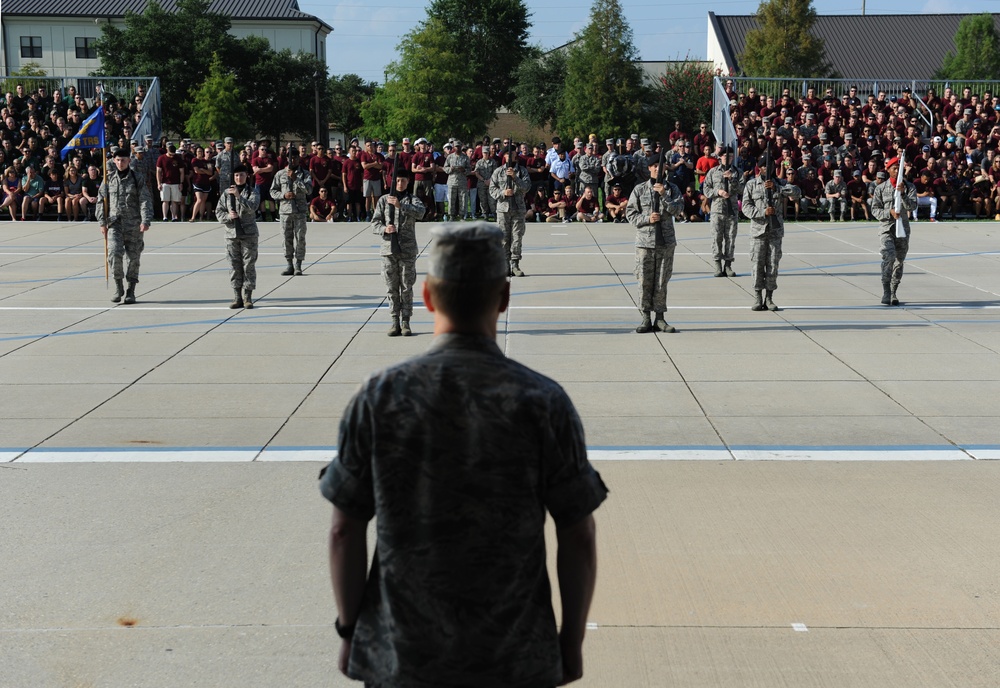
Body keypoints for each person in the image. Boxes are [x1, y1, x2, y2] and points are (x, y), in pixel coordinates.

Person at [321, 223, 606, 688]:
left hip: (402, 655)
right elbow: (578, 533)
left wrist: (351, 630)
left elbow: (343, 528)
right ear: (504, 298)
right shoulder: (541, 400)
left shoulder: (379, 396)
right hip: (514, 656)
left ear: (428, 297)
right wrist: (570, 642)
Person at [626, 154, 683, 333]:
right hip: (645, 242)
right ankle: (645, 317)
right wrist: (647, 219)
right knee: (644, 280)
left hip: (665, 242)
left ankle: (660, 318)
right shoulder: (640, 189)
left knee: (661, 281)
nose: (658, 169)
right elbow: (630, 214)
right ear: (649, 168)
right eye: (654, 166)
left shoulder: (672, 189)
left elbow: (678, 210)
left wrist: (664, 195)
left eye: (661, 166)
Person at [742, 154, 801, 312]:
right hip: (758, 232)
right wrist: (763, 212)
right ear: (759, 168)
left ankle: (769, 297)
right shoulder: (752, 185)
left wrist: (777, 188)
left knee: (773, 265)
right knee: (757, 265)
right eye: (764, 166)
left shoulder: (779, 183)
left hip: (775, 232)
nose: (767, 169)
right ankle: (757, 297)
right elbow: (745, 207)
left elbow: (797, 192)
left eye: (770, 166)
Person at [371, 171, 425, 336]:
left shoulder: (412, 199)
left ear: (408, 182)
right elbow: (374, 223)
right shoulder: (383, 200)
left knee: (406, 287)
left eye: (403, 180)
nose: (400, 183)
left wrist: (401, 206)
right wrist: (385, 229)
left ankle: (406, 321)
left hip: (407, 250)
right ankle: (394, 321)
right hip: (388, 250)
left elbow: (421, 213)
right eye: (397, 180)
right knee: (391, 287)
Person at [98, 148, 154, 304]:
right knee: (114, 253)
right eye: (117, 160)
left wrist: (145, 220)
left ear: (129, 161)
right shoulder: (108, 180)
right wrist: (102, 222)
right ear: (114, 161)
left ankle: (131, 290)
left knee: (133, 258)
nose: (120, 163)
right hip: (114, 223)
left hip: (134, 224)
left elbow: (145, 200)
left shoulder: (137, 178)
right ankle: (118, 286)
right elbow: (101, 201)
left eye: (123, 160)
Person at [870, 156, 917, 306]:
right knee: (888, 257)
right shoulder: (881, 188)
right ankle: (886, 291)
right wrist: (888, 212)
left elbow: (912, 206)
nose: (897, 171)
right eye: (894, 168)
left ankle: (894, 291)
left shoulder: (909, 187)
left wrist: (902, 194)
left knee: (899, 261)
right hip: (886, 228)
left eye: (899, 168)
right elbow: (874, 210)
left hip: (902, 229)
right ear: (888, 169)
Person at [215, 164, 260, 309]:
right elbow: (218, 212)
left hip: (248, 234)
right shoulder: (226, 194)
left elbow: (253, 207)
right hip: (231, 234)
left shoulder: (253, 192)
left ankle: (248, 297)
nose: (238, 178)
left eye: (241, 175)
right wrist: (228, 216)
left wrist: (238, 197)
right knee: (234, 266)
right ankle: (237, 297)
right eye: (236, 175)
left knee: (248, 265)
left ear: (246, 176)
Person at [489, 147, 532, 276]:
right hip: (503, 210)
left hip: (518, 209)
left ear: (515, 156)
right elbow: (492, 190)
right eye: (507, 154)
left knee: (517, 238)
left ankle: (515, 264)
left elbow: (527, 187)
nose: (509, 157)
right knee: (503, 239)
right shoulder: (498, 172)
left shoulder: (522, 171)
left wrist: (515, 178)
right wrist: (503, 193)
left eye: (512, 154)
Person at [270, 148, 313, 276]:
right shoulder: (280, 174)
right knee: (286, 238)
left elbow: (309, 190)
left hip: (299, 211)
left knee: (300, 238)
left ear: (298, 159)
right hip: (285, 211)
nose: (292, 160)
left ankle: (298, 264)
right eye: (290, 158)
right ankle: (289, 264)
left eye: (295, 158)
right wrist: (284, 195)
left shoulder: (305, 174)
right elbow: (273, 191)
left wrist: (296, 179)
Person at [701, 146, 741, 277]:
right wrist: (717, 192)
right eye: (724, 156)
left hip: (731, 210)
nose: (727, 158)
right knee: (716, 237)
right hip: (717, 210)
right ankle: (717, 264)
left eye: (729, 156)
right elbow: (706, 189)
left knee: (730, 238)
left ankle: (728, 265)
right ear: (720, 157)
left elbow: (742, 189)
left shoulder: (737, 172)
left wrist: (731, 179)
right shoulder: (713, 172)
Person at [443, 141, 470, 221]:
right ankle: (452, 216)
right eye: (456, 146)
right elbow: (445, 167)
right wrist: (450, 169)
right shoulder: (450, 157)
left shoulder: (465, 157)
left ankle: (462, 216)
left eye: (459, 146)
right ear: (453, 147)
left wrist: (464, 170)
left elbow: (469, 169)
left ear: (461, 147)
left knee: (463, 199)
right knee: (451, 199)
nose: (457, 148)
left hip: (462, 181)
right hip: (452, 181)